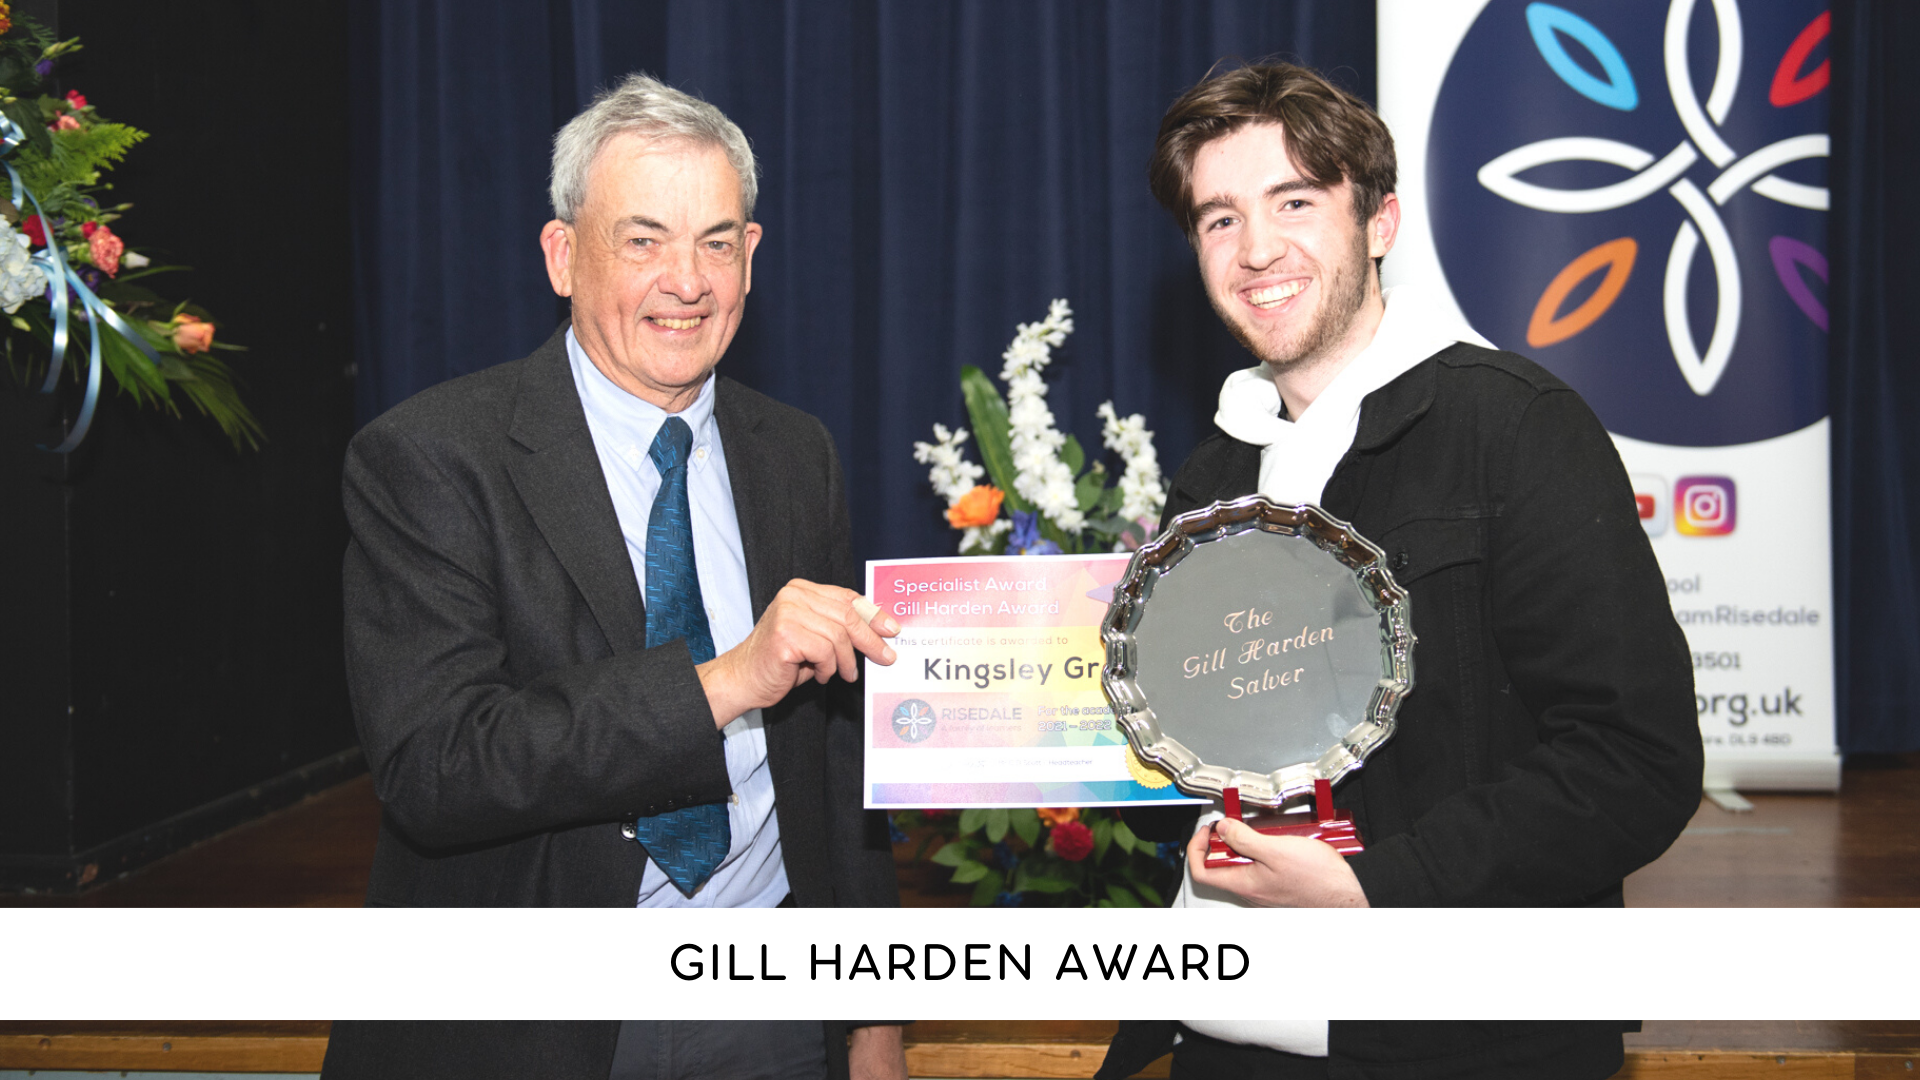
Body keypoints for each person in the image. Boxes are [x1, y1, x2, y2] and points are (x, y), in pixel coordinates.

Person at [1104, 61, 1701, 1078]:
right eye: (1220, 218)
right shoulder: (1214, 475)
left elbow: (1636, 763)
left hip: (1457, 1047)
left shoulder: (1516, 429)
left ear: (1379, 221)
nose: (1257, 248)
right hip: (1226, 1037)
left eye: (1295, 202)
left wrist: (1377, 887)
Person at [323, 75, 904, 1080]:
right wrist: (725, 682)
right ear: (563, 256)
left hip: (772, 1002)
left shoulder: (795, 453)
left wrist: (874, 1018)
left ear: (752, 255)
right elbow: (438, 769)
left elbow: (836, 757)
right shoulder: (430, 458)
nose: (687, 281)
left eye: (716, 242)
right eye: (643, 240)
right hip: (533, 1030)